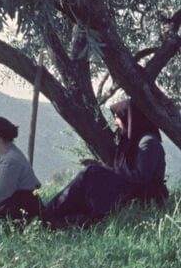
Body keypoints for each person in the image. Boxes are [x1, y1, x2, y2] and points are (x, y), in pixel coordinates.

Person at [43, 98, 168, 228]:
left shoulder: (148, 142)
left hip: (142, 196)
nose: (115, 122)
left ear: (129, 118)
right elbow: (126, 173)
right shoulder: (133, 142)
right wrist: (103, 167)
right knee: (91, 175)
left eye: (117, 117)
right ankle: (54, 216)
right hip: (131, 190)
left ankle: (47, 213)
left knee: (90, 173)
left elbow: (141, 178)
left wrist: (104, 170)